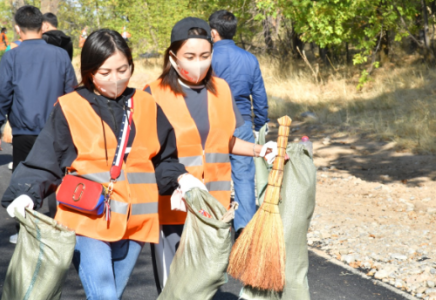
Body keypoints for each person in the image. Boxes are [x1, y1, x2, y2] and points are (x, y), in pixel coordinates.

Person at [1, 28, 205, 299]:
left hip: (136, 225)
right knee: (105, 296)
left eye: (123, 70)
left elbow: (164, 159)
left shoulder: (146, 104)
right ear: (89, 72)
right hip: (86, 221)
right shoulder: (70, 106)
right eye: (105, 73)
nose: (116, 79)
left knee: (112, 295)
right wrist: (26, 192)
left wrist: (182, 178)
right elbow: (45, 160)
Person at [143, 17, 279, 293]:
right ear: (173, 56)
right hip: (173, 207)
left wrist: (258, 149)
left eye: (205, 55)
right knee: (175, 288)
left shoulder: (222, 90)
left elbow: (223, 143)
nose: (198, 62)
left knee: (207, 285)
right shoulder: (152, 94)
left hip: (214, 209)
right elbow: (147, 153)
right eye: (190, 56)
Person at [0, 5, 77, 243]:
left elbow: (3, 94)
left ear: (17, 28)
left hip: (24, 131)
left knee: (24, 178)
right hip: (56, 130)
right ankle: (59, 226)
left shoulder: (12, 55)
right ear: (42, 27)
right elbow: (71, 92)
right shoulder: (60, 55)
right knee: (58, 177)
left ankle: (25, 231)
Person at [209, 10, 269, 239]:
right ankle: (244, 228)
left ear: (213, 32)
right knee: (244, 175)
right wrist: (261, 123)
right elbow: (259, 95)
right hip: (242, 121)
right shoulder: (249, 58)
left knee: (213, 172)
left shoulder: (207, 57)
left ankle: (214, 225)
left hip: (214, 121)